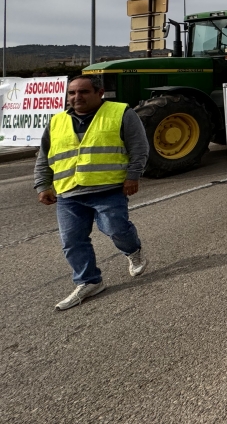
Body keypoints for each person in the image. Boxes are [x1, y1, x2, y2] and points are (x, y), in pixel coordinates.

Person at [34, 75, 150, 310]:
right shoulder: (57, 121)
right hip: (68, 192)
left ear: (100, 93)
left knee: (115, 228)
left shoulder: (121, 113)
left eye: (84, 92)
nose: (77, 97)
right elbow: (44, 156)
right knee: (72, 241)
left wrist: (133, 176)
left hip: (107, 188)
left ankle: (133, 251)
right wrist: (42, 184)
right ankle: (89, 281)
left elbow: (139, 148)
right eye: (72, 93)